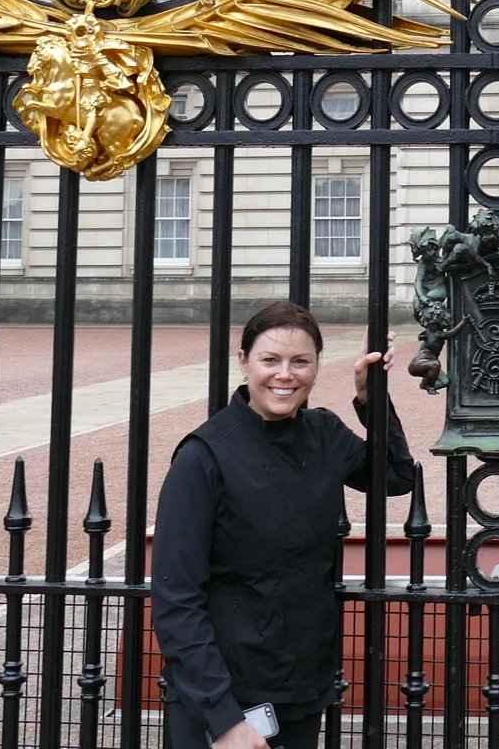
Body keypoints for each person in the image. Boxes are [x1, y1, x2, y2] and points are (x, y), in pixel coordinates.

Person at [154, 301, 420, 749]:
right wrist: (224, 719)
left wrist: (368, 395)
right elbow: (176, 597)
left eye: (301, 362)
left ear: (316, 368)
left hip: (300, 687)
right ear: (243, 362)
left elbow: (396, 475)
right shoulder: (203, 456)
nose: (285, 375)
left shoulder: (324, 434)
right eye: (270, 360)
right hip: (224, 696)